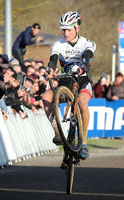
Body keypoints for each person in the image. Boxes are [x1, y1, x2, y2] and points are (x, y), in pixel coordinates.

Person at [42, 11, 96, 160]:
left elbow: (87, 55)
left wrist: (83, 66)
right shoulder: (58, 44)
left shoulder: (87, 43)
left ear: (77, 28)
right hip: (65, 81)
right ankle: (57, 131)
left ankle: (84, 142)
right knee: (46, 97)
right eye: (63, 29)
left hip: (82, 80)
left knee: (83, 104)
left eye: (68, 29)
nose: (65, 33)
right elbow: (53, 58)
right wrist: (51, 69)